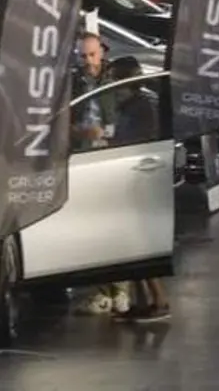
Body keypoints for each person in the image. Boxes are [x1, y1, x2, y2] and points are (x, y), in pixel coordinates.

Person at [107, 56, 169, 323]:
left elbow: (138, 140)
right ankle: (142, 300)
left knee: (137, 244)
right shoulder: (132, 106)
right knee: (129, 246)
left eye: (114, 80)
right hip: (130, 177)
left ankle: (159, 300)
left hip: (137, 180)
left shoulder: (141, 107)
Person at [71, 34, 115, 151]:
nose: (89, 61)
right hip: (79, 144)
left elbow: (122, 118)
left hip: (111, 144)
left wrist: (106, 133)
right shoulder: (72, 83)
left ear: (101, 53)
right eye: (83, 56)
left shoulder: (114, 80)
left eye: (92, 54)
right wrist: (81, 133)